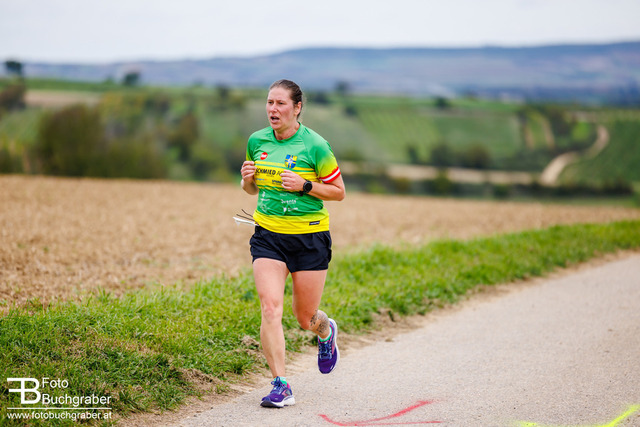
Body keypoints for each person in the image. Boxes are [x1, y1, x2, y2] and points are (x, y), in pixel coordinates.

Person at [240, 79, 345, 408]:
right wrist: (247, 180)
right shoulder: (257, 141)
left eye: (280, 103)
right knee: (270, 308)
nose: (273, 109)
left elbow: (339, 192)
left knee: (305, 318)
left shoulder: (315, 145)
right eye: (269, 102)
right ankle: (280, 384)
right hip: (268, 236)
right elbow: (251, 190)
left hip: (309, 238)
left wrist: (304, 185)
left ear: (297, 108)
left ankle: (326, 332)